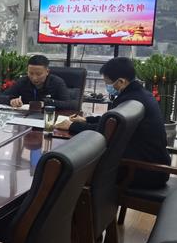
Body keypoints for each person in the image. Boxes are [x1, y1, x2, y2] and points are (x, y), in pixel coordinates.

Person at [68, 56, 170, 189]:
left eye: (107, 83)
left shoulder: (130, 100)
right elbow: (110, 121)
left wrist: (72, 126)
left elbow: (105, 132)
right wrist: (86, 120)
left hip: (140, 170)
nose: (107, 87)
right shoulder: (140, 94)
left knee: (76, 172)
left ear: (121, 81)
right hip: (154, 167)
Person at [0, 54, 73, 109]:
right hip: (26, 118)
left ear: (47, 72)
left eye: (38, 74)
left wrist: (46, 103)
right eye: (31, 73)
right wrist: (11, 101)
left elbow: (69, 104)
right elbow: (0, 98)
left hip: (48, 117)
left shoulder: (57, 82)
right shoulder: (22, 81)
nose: (34, 78)